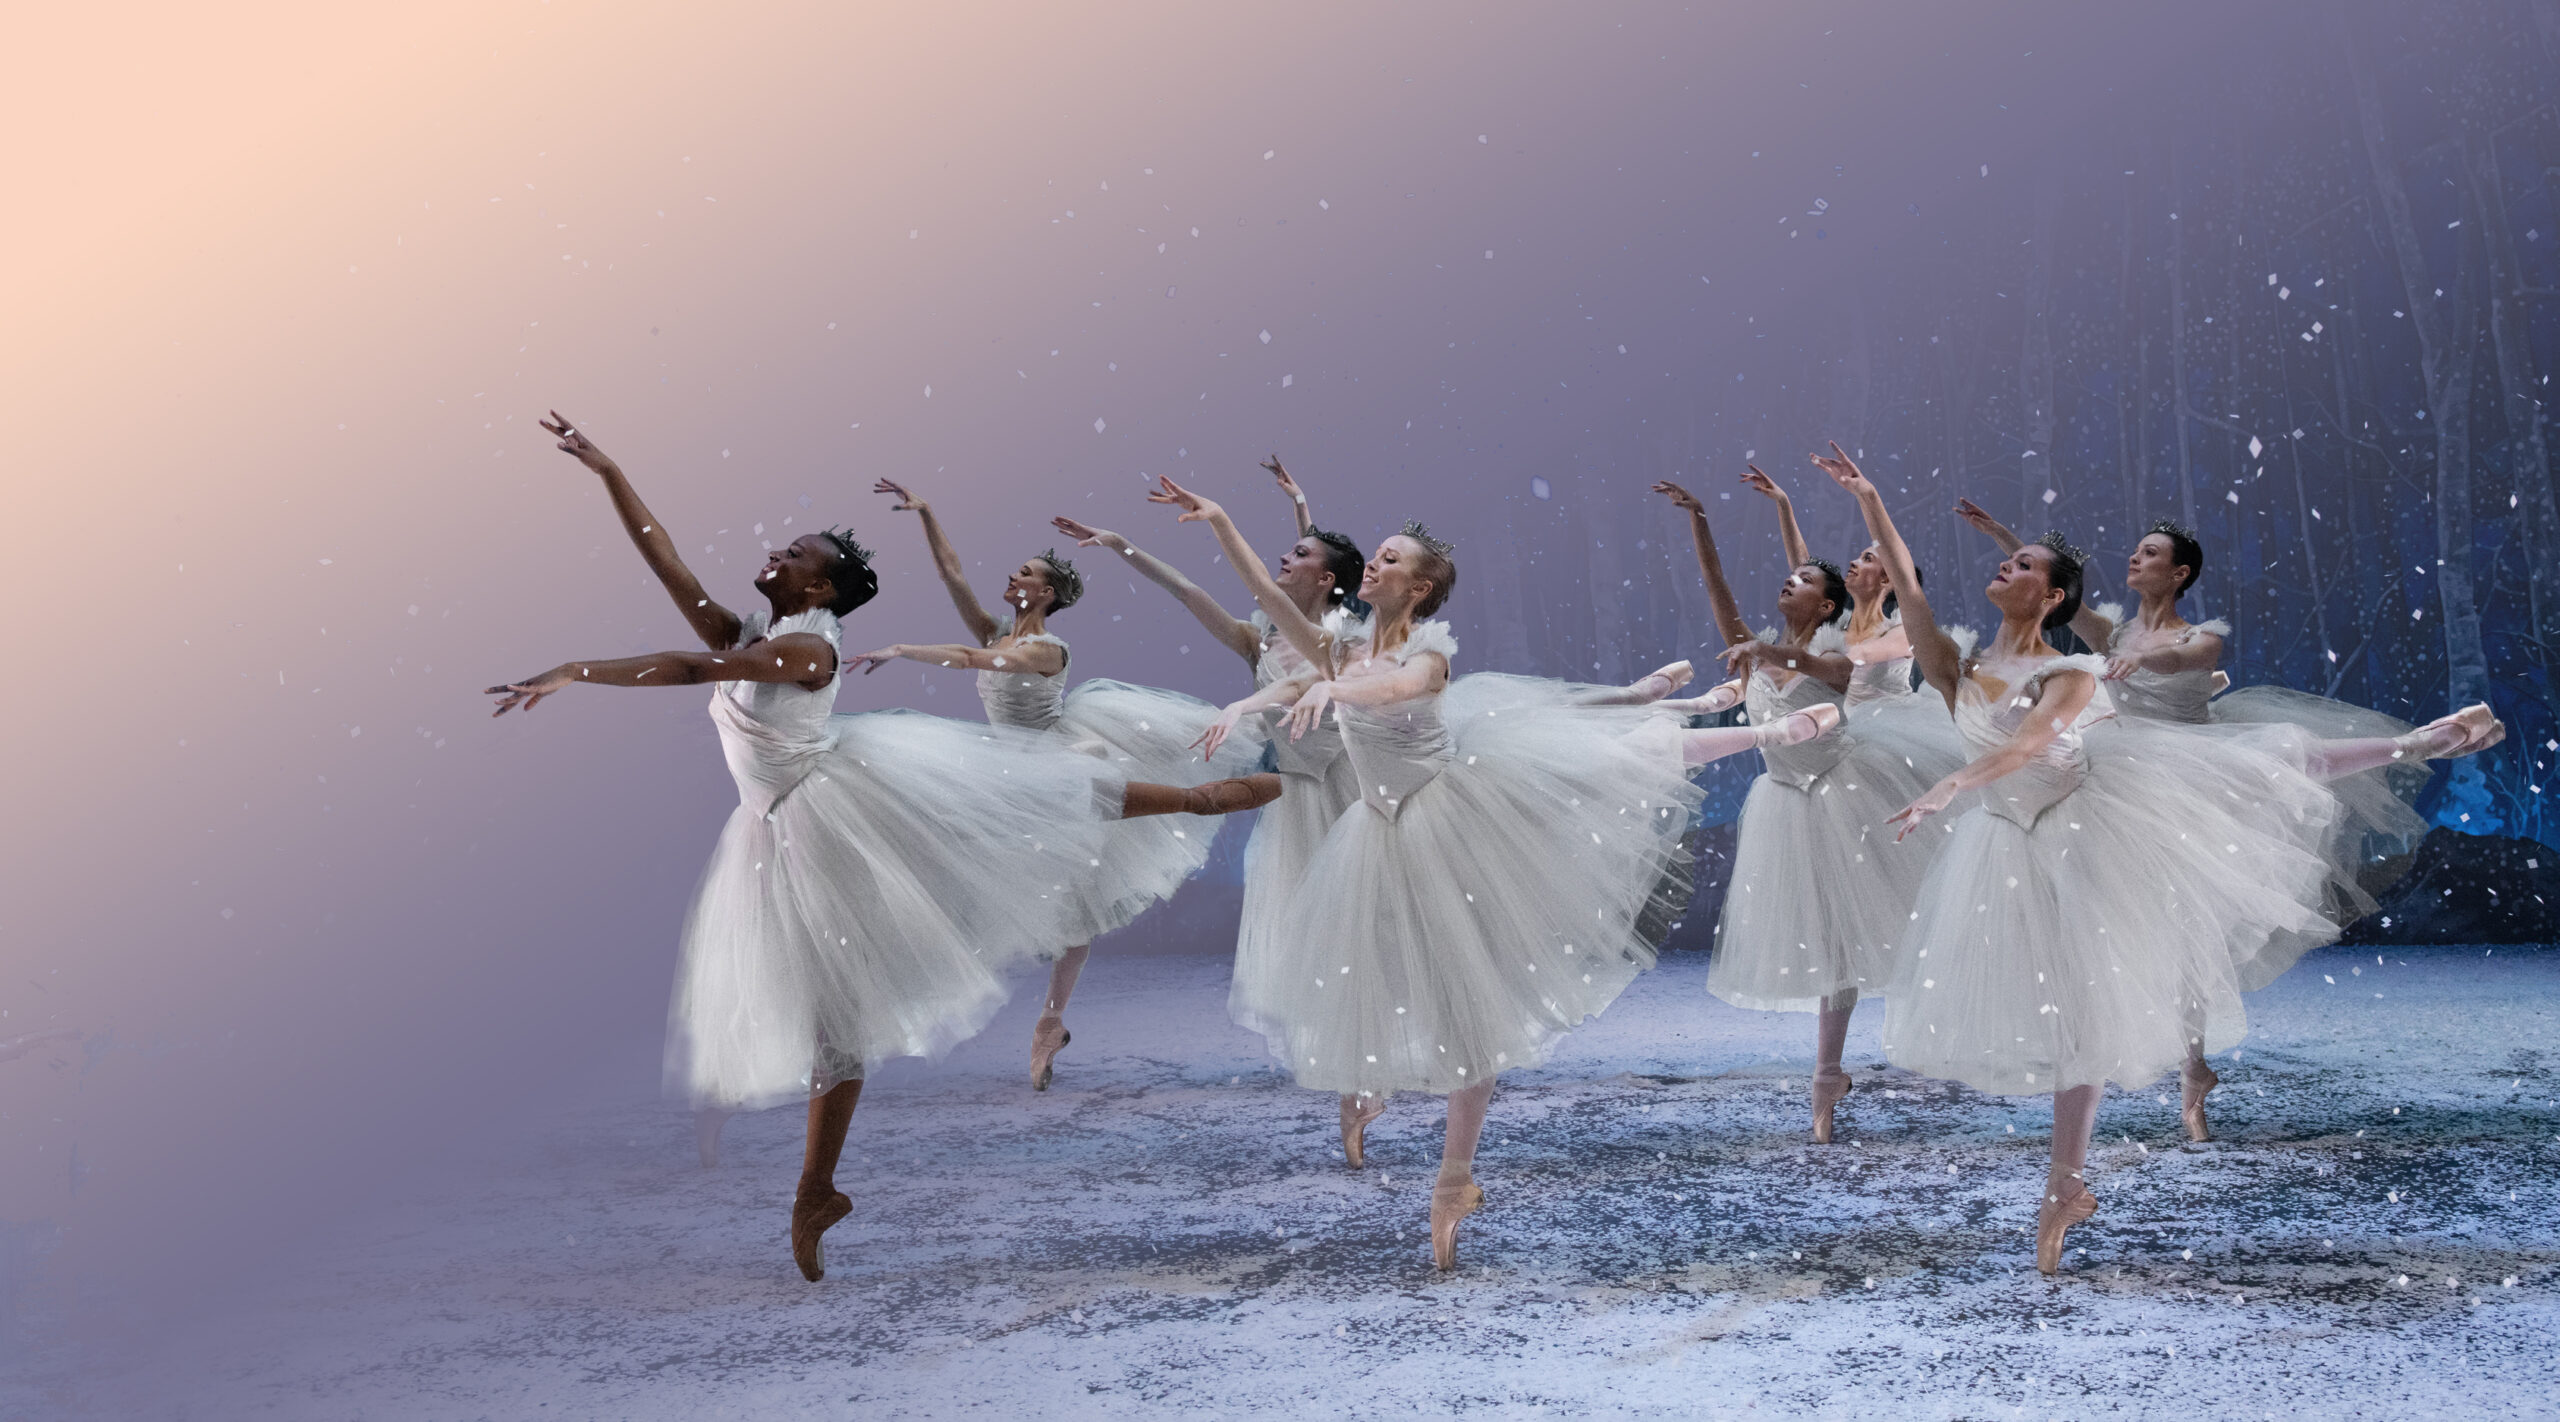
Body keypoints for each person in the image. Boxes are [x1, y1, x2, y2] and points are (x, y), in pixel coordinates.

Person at [491, 415, 1278, 1281]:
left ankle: (1222, 792)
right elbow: (668, 564)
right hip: (781, 820)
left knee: (1033, 806)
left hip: (838, 809)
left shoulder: (803, 652)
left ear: (823, 591)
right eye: (784, 546)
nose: (777, 553)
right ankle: (815, 1187)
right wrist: (610, 472)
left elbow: (690, 669)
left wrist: (578, 669)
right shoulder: (757, 625)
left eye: (796, 552)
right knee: (833, 1002)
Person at [1149, 476, 1701, 1269]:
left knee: (1467, 1003)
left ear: (1420, 586)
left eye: (1389, 558)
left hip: (1449, 820)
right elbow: (1272, 598)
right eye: (1372, 555)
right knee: (1369, 971)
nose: (1372, 563)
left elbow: (1399, 687)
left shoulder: (1427, 651)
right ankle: (1374, 1097)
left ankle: (1453, 1179)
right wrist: (1222, 522)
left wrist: (1333, 685)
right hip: (1378, 827)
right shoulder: (1341, 644)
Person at [854, 477, 1259, 1090]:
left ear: (1046, 592)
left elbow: (971, 661)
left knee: (1077, 902)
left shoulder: (1048, 649)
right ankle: (912, 986)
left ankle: (1049, 1021)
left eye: (1024, 573)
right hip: (1008, 770)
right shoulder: (998, 629)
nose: (1011, 578)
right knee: (982, 881)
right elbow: (953, 576)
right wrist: (927, 513)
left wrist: (902, 648)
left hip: (1060, 768)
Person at [1648, 467, 1961, 1143]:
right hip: (1795, 790)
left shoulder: (1875, 632)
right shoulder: (1810, 628)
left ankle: (1961, 1003)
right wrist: (1711, 518)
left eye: (1866, 559)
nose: (1856, 563)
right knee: (1833, 936)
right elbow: (1752, 587)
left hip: (1865, 762)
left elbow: (1842, 666)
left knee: (1916, 905)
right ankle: (1827, 1073)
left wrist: (1867, 505)